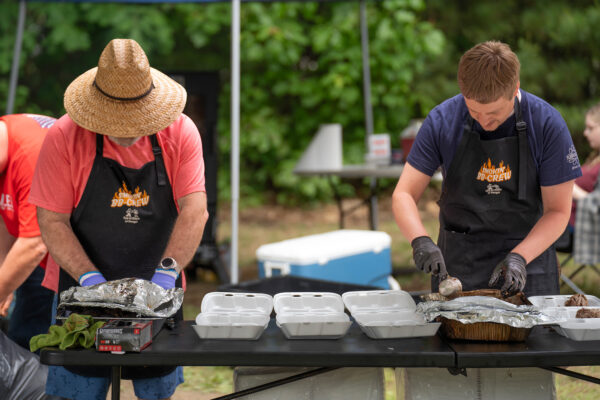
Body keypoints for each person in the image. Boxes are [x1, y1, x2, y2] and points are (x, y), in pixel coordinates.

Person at [29, 38, 208, 400]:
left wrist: (164, 276)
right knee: (77, 393)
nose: (126, 133)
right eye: (116, 123)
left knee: (156, 392)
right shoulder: (64, 137)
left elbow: (195, 211)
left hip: (158, 289)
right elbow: (52, 221)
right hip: (80, 291)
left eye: (136, 122)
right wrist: (92, 283)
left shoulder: (181, 132)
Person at [392, 41, 582, 297]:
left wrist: (519, 258)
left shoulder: (547, 124)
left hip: (529, 262)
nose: (484, 120)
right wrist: (420, 240)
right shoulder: (442, 121)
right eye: (474, 111)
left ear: (515, 89)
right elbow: (403, 194)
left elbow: (558, 211)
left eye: (493, 112)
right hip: (458, 266)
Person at [0, 114, 56, 350]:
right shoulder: (5, 133)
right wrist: (4, 272)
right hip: (38, 258)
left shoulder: (32, 152)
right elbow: (5, 216)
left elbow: (35, 243)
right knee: (22, 341)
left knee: (61, 356)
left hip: (73, 265)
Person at [570, 102, 600, 226]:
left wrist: (568, 187)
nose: (585, 133)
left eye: (591, 128)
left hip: (583, 233)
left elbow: (596, 203)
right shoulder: (594, 158)